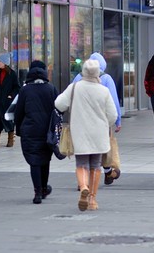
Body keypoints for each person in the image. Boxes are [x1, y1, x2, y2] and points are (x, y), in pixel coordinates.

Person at [55, 59, 117, 211]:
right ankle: (92, 200)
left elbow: (59, 104)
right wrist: (105, 124)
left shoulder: (75, 87)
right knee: (95, 165)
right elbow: (113, 115)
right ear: (98, 73)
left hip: (80, 132)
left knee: (81, 163)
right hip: (98, 134)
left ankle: (83, 187)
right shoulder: (104, 90)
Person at [72, 52, 122, 185]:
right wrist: (117, 120)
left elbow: (69, 98)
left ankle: (83, 182)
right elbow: (113, 101)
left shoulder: (78, 77)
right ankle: (107, 173)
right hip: (100, 121)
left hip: (81, 120)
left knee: (84, 150)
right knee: (102, 149)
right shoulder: (106, 78)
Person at [14, 61, 58, 204]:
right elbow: (58, 109)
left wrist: (18, 129)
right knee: (45, 160)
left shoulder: (25, 90)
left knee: (34, 162)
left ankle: (37, 192)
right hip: (47, 131)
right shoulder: (51, 88)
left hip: (30, 131)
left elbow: (19, 112)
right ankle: (44, 188)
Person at [0, 53, 20, 149]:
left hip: (6, 103)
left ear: (5, 62)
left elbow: (17, 87)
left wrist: (11, 95)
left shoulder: (12, 74)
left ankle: (10, 139)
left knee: (8, 121)